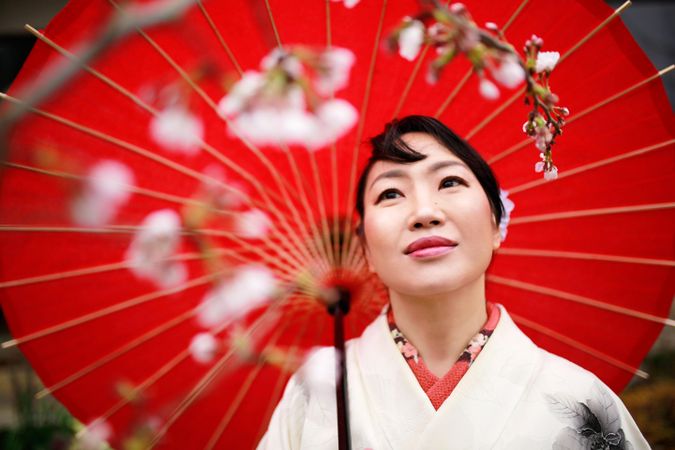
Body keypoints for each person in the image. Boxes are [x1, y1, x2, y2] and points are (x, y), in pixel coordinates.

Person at [258, 115, 649, 449]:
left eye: (448, 182)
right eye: (391, 193)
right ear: (366, 250)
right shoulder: (318, 390)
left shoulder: (580, 400)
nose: (424, 212)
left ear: (496, 224)